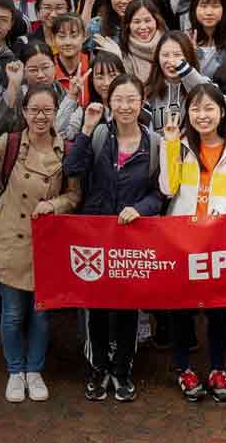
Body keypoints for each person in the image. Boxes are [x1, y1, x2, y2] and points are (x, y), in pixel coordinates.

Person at [0, 84, 79, 403]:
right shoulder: (12, 142)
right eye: (34, 110)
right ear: (24, 113)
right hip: (10, 237)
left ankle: (34, 370)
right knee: (13, 312)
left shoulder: (66, 150)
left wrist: (54, 205)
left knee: (42, 314)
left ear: (56, 112)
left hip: (46, 242)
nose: (40, 117)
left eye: (47, 110)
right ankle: (15, 370)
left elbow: (74, 195)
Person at [64, 74, 166, 402]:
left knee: (126, 307)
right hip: (95, 234)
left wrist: (140, 209)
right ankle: (98, 370)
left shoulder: (155, 143)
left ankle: (122, 370)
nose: (124, 106)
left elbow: (161, 193)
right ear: (109, 102)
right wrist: (86, 129)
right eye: (118, 100)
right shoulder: (98, 137)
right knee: (96, 305)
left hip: (132, 236)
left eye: (131, 100)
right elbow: (72, 168)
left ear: (141, 102)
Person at [159, 85, 226, 402]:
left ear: (223, 112)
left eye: (209, 108)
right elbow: (167, 187)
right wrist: (170, 146)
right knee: (180, 309)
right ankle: (183, 368)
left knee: (217, 309)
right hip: (181, 240)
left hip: (218, 241)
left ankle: (217, 368)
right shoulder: (179, 145)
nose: (202, 115)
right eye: (196, 109)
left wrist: (221, 209)